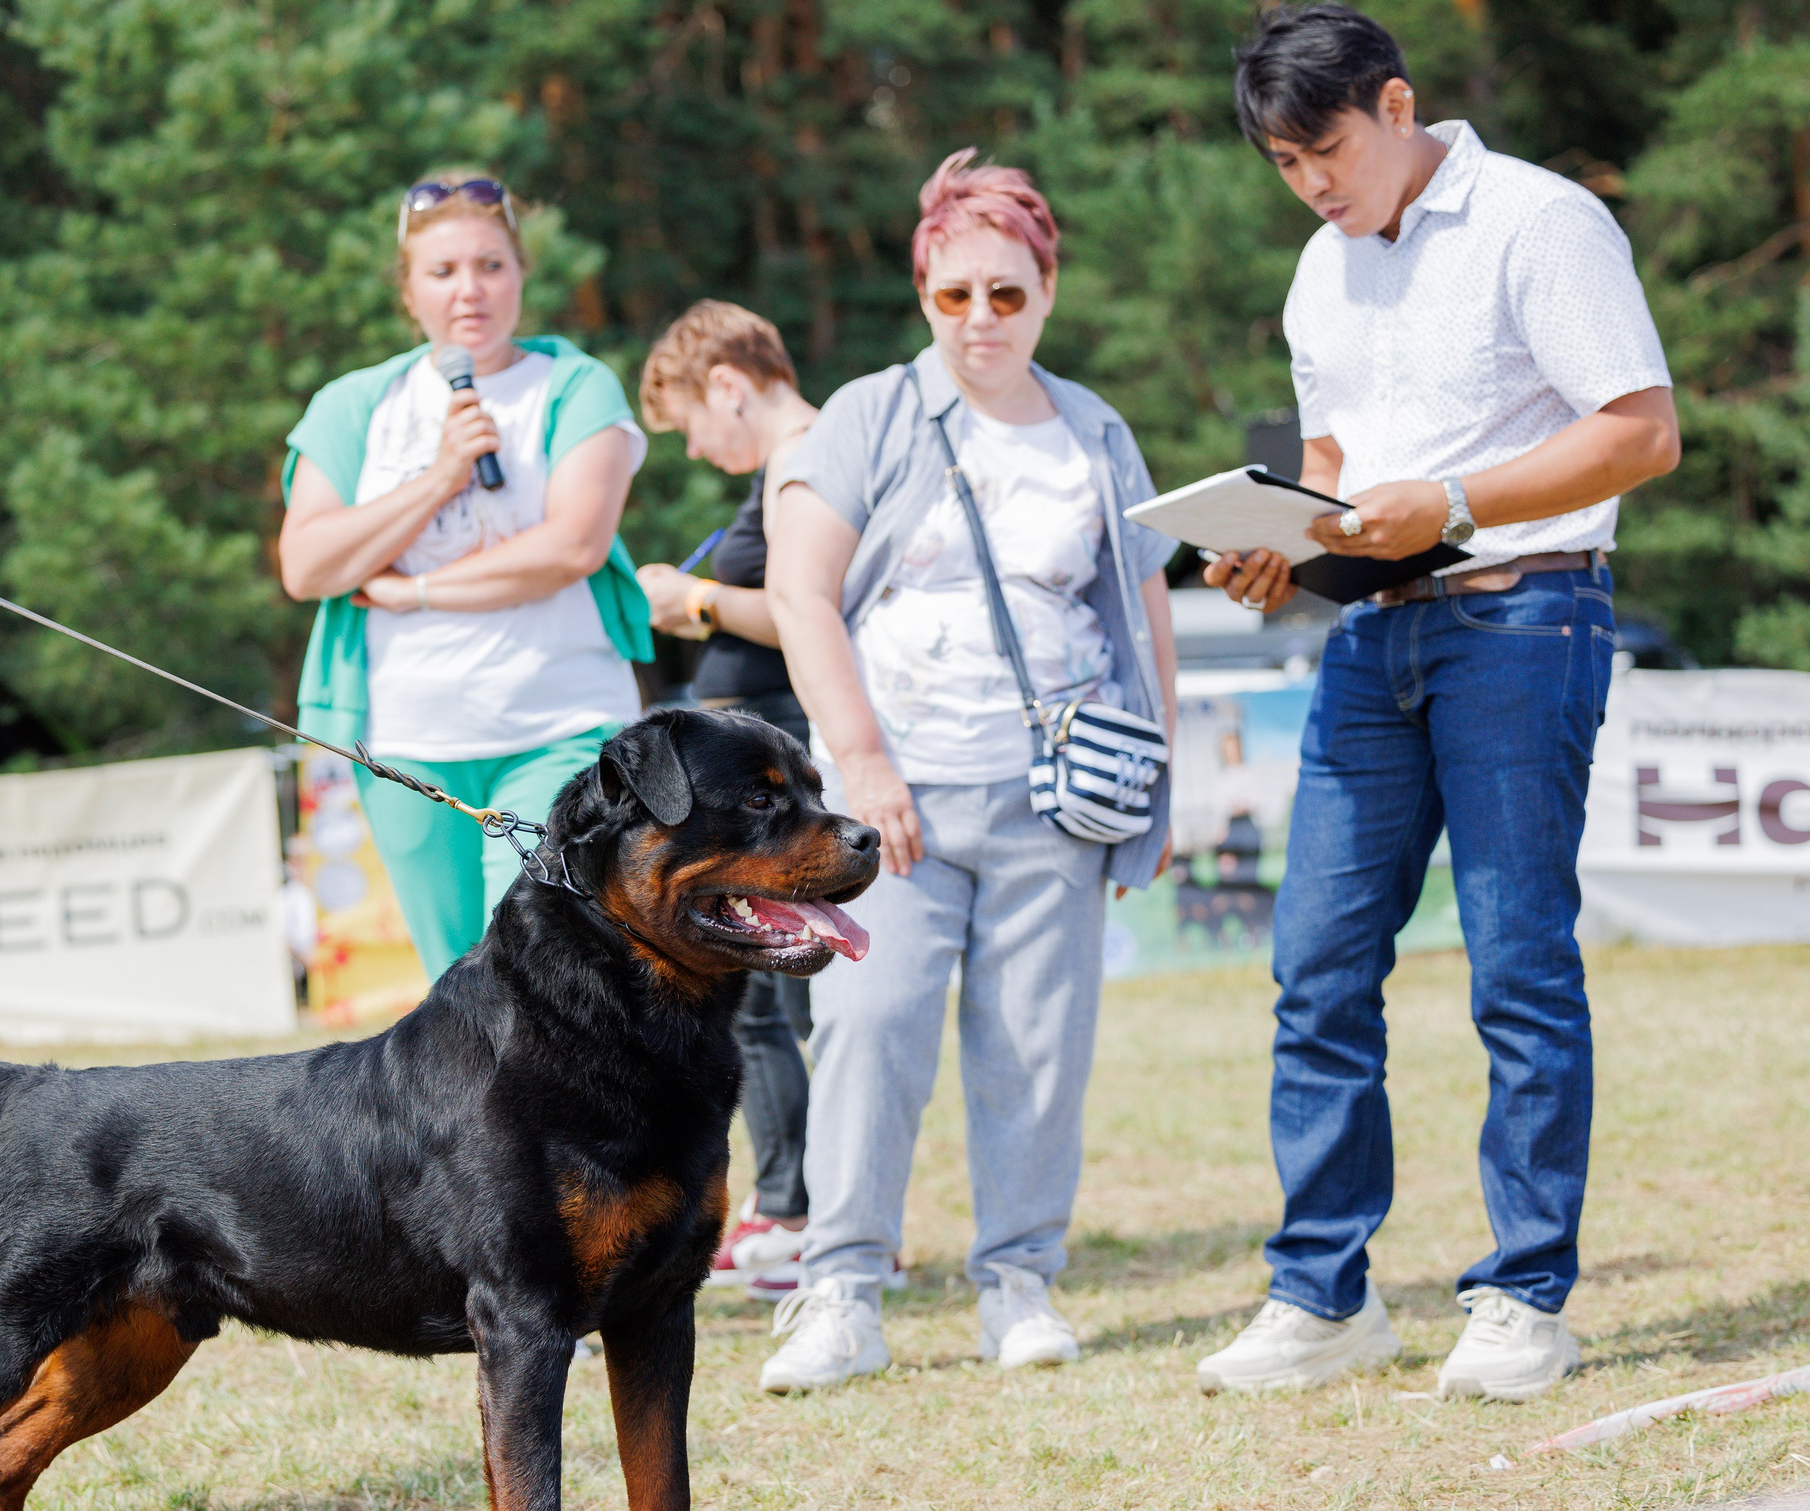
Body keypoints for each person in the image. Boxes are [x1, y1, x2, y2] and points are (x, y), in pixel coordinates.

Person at [1194, 4, 1679, 1400]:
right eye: (1283, 164)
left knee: (1518, 965)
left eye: (1325, 149)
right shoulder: (1317, 271)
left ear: (1397, 104)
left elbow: (1642, 432)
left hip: (1526, 618)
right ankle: (1321, 1298)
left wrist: (1454, 500)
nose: (1311, 183)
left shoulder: (1542, 221)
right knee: (1318, 966)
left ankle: (1526, 1297)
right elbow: (1343, 470)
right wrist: (1284, 541)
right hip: (1370, 639)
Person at [759, 150, 1180, 1392]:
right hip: (891, 795)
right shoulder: (874, 413)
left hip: (1054, 789)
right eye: (955, 297)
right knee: (869, 1030)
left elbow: (1142, 609)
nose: (981, 320)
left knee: (1038, 1047)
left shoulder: (1094, 430)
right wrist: (863, 762)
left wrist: (1155, 787)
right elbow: (800, 592)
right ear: (923, 294)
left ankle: (1018, 1282)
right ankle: (842, 1288)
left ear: (1046, 290)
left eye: (1007, 294)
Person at [278, 173, 652, 978]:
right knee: (454, 991)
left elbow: (571, 548)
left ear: (521, 274)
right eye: (442, 272)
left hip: (560, 727)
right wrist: (440, 477)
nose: (469, 291)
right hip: (408, 742)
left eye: (490, 266)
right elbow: (308, 564)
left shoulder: (575, 386)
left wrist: (409, 588)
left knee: (545, 972)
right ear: (408, 290)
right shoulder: (354, 405)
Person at [634, 301, 824, 1297]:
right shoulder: (784, 467)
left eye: (690, 428)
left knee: (773, 1002)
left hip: (774, 776)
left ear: (726, 385)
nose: (698, 453)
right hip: (760, 763)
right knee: (767, 1000)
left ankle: (794, 1209)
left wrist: (692, 601)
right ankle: (796, 1201)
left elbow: (808, 612)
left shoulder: (804, 461)